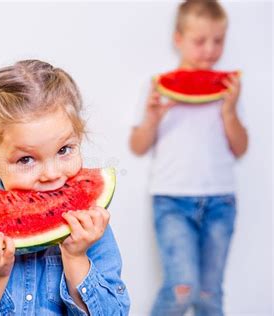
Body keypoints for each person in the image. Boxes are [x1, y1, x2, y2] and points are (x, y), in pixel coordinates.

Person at [0, 59, 130, 315]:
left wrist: (76, 258)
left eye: (64, 150)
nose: (51, 174)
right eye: (26, 159)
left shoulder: (90, 226)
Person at [129, 1, 248, 315]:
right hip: (172, 200)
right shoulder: (157, 87)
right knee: (182, 289)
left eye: (218, 41)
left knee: (209, 295)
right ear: (178, 38)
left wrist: (229, 110)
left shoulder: (229, 89)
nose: (209, 50)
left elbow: (240, 148)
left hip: (221, 200)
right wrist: (152, 117)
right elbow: (138, 145)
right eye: (199, 41)